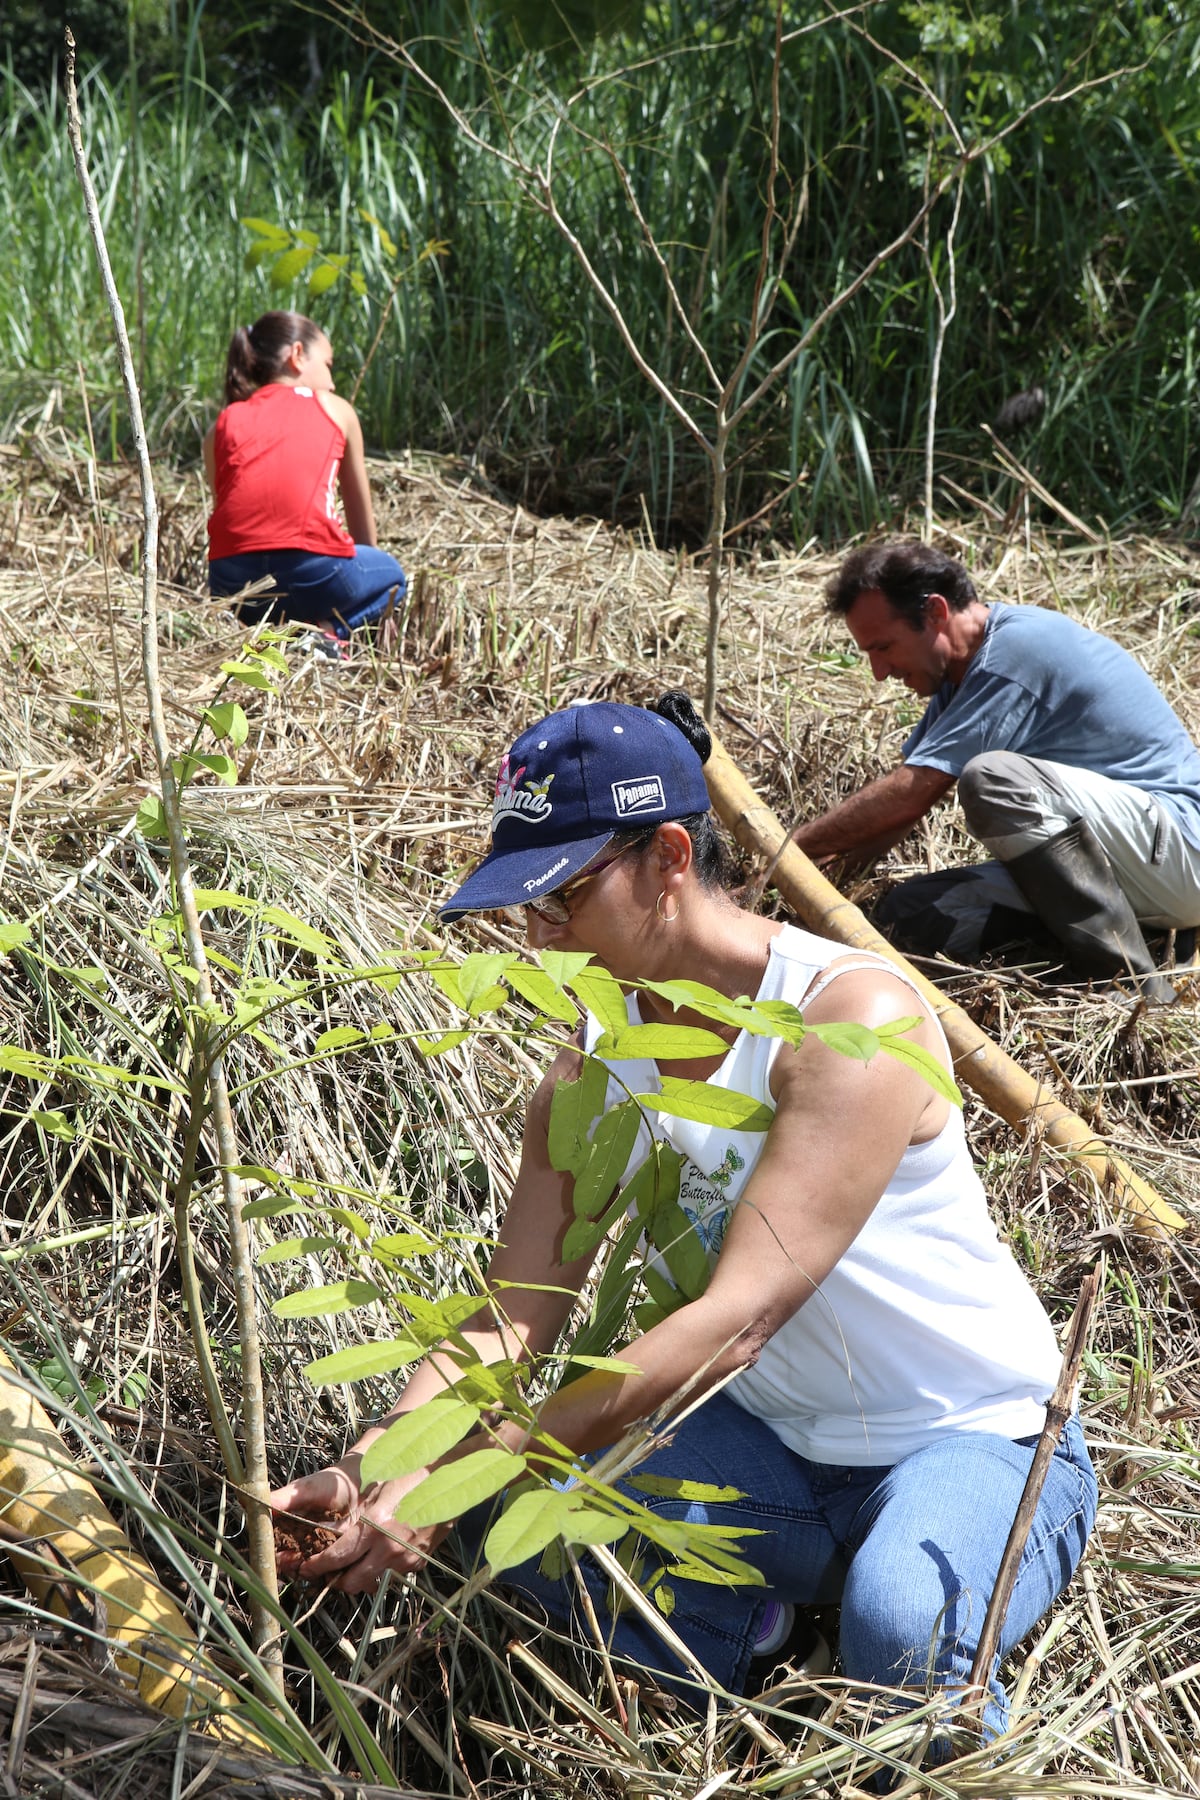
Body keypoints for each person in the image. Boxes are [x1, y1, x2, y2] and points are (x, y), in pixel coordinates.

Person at [269, 693, 1096, 1749]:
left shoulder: (847, 1021)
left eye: (565, 895)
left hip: (972, 1436)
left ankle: (891, 1614)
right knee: (491, 1512)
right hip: (781, 1454)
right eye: (526, 907)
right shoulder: (598, 1063)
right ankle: (737, 1634)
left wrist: (485, 1458)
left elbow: (738, 1319)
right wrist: (381, 1464)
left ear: (668, 853)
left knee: (905, 1645)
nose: (543, 934)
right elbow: (515, 1310)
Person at [790, 542, 1200, 1005]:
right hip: (1118, 866)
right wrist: (801, 895)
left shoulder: (1016, 651)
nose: (879, 671)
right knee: (909, 913)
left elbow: (912, 793)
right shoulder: (957, 679)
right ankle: (1126, 946)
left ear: (936, 613)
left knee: (993, 780)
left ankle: (1132, 985)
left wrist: (784, 857)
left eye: (884, 647)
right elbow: (896, 815)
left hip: (1180, 851)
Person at [203, 311, 406, 645]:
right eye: (328, 365)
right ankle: (328, 636)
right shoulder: (335, 409)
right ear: (297, 355)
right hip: (316, 575)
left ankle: (272, 638)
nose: (332, 382)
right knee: (392, 577)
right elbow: (363, 532)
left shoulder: (221, 424)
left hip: (233, 586)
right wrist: (371, 600)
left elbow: (230, 517)